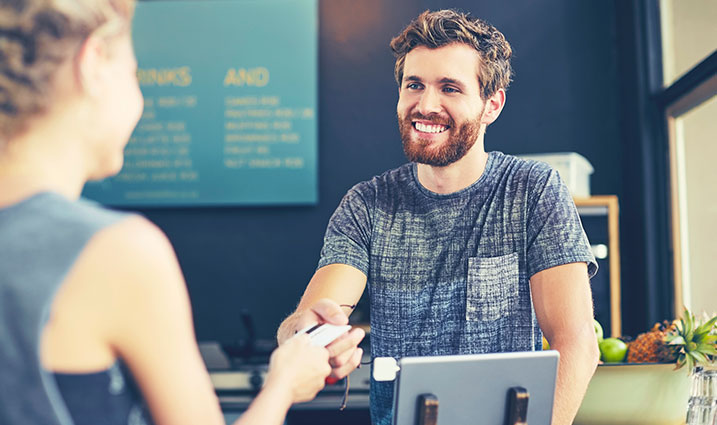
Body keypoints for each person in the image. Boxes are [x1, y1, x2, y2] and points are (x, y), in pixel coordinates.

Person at [0, 1, 362, 424]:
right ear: (93, 63)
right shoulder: (116, 252)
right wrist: (283, 385)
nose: (138, 96)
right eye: (133, 73)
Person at [278, 9, 600, 425]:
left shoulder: (533, 191)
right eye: (415, 85)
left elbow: (576, 344)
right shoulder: (367, 205)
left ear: (492, 104)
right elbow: (309, 321)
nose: (426, 105)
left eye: (450, 88)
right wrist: (305, 332)